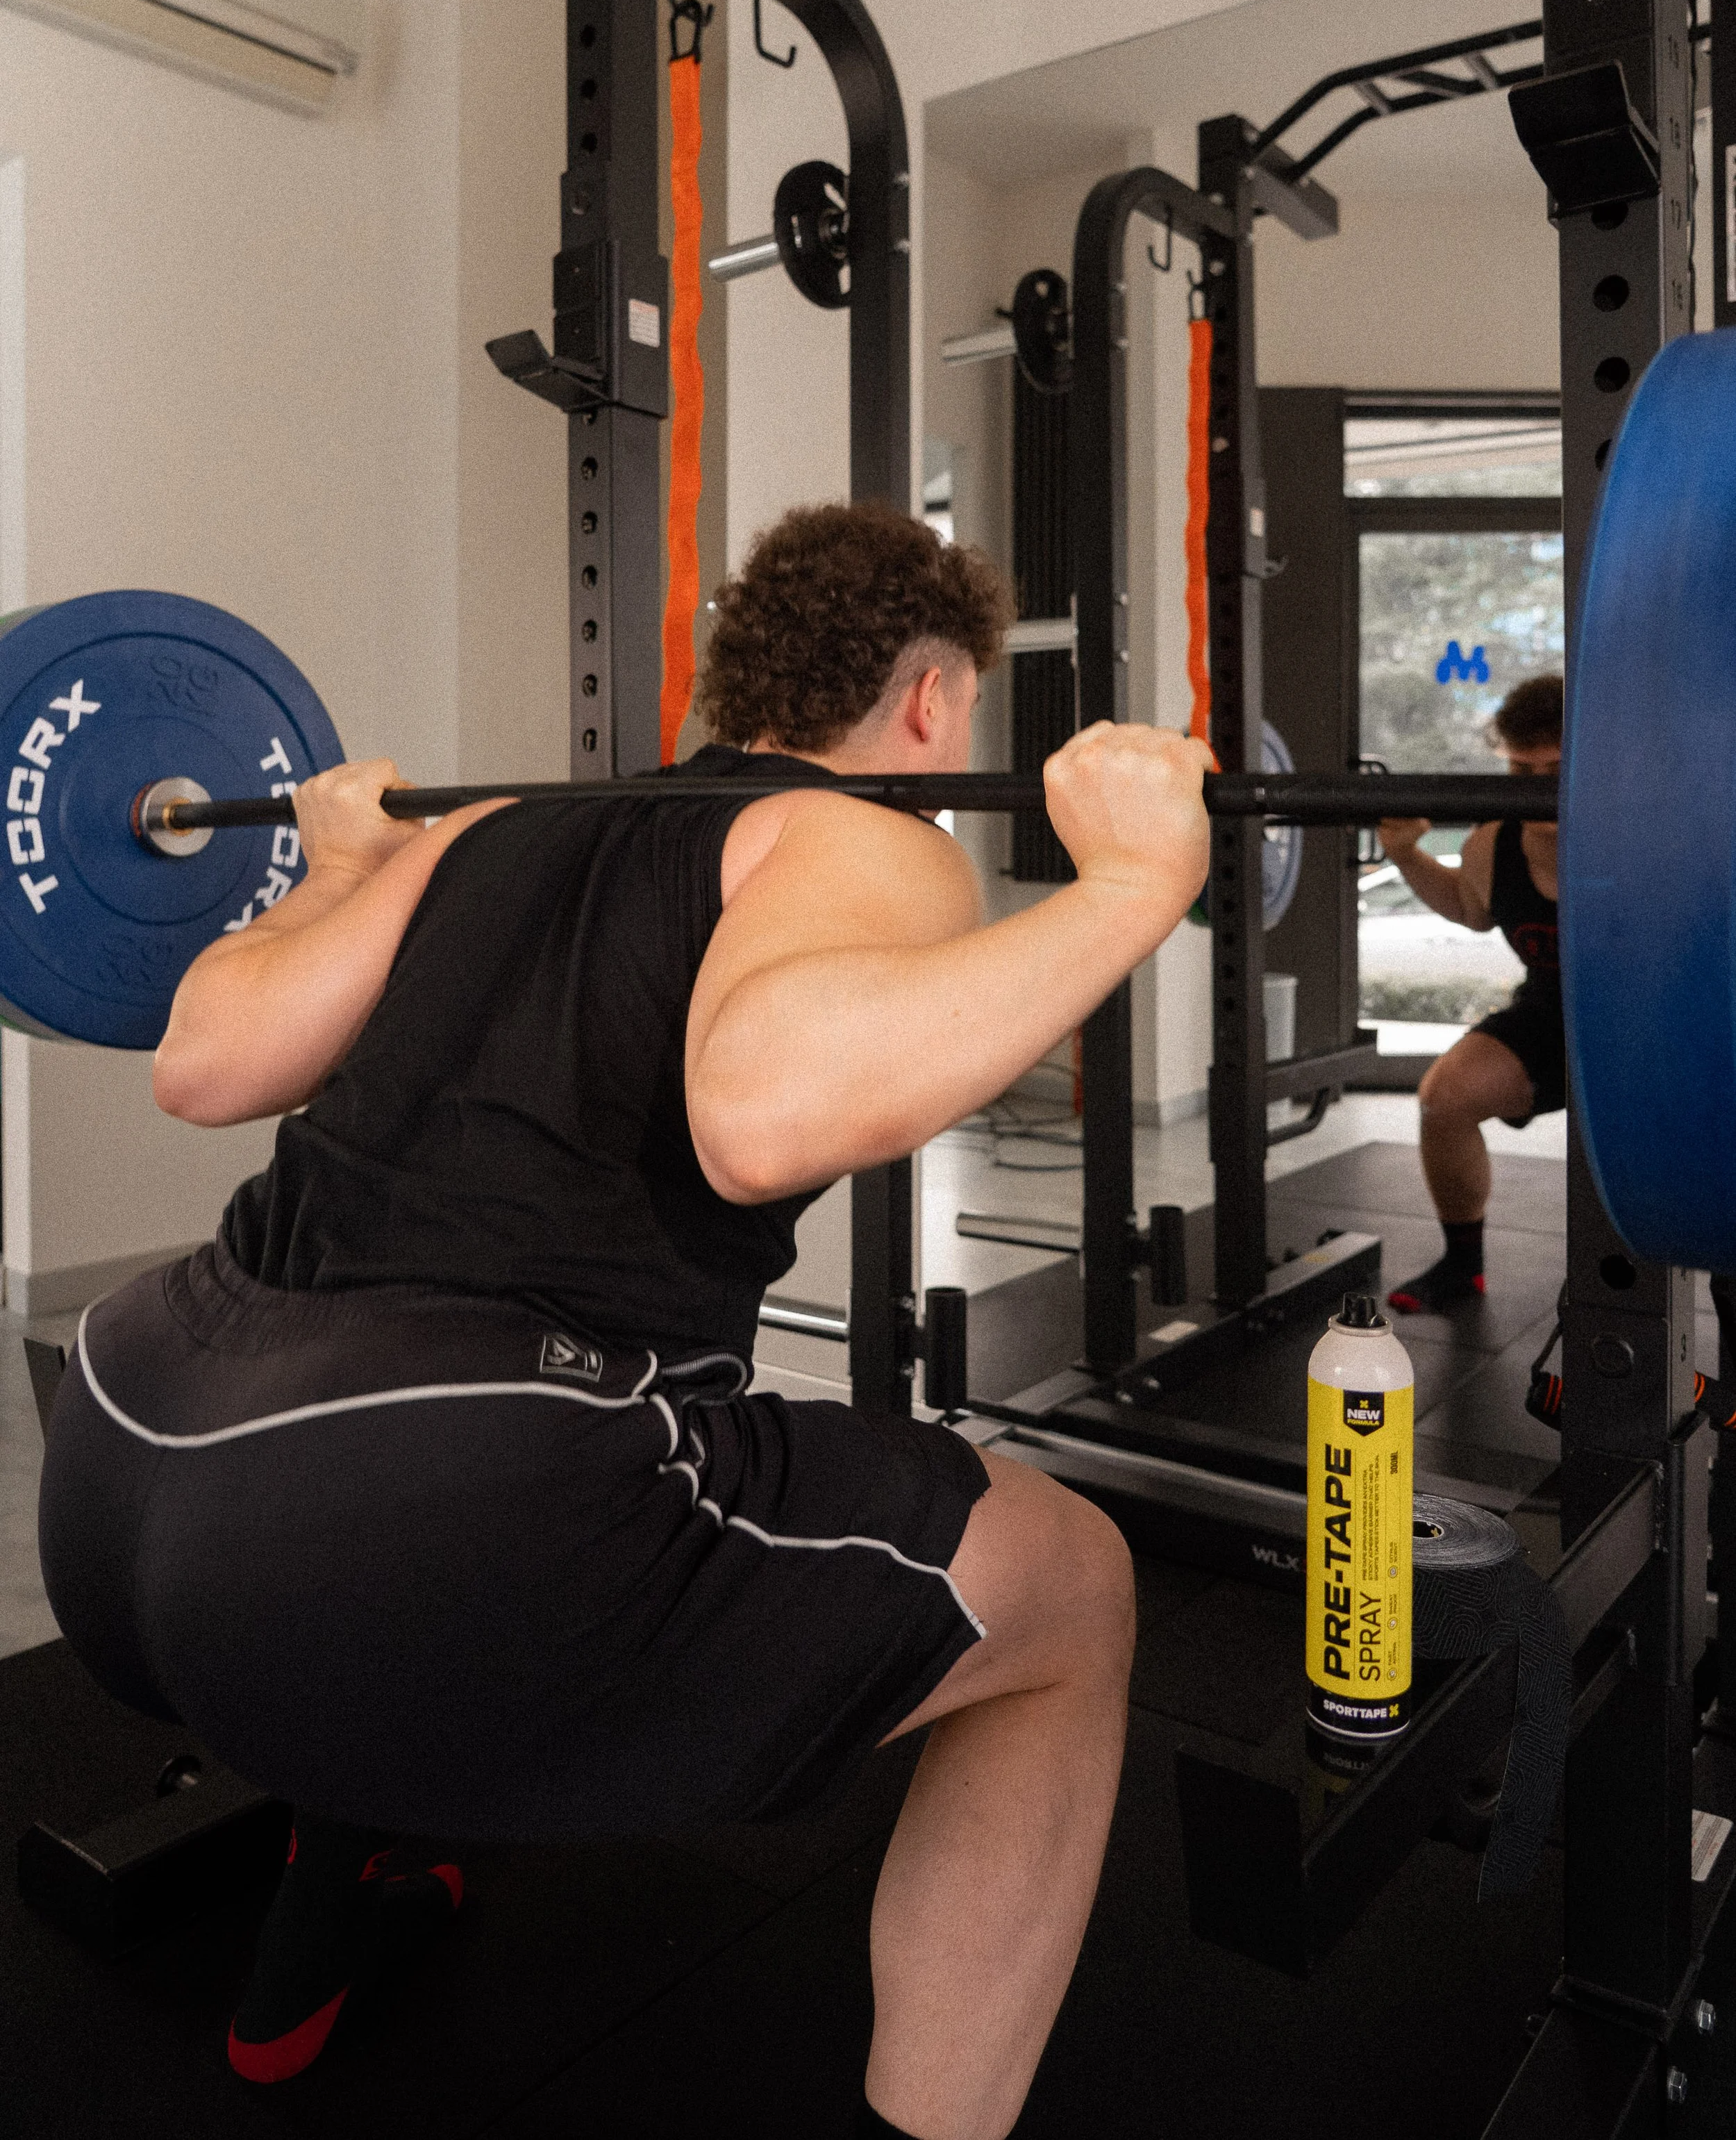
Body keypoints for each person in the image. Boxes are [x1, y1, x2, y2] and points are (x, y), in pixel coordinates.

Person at [36, 501, 1212, 2140]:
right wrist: (1137, 882)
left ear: (730, 681)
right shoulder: (860, 835)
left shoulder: (485, 826)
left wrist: (334, 875)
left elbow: (205, 1064)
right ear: (934, 698)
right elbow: (762, 1113)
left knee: (404, 1527)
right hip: (412, 1519)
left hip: (123, 1444)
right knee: (1071, 1581)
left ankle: (302, 1959)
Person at [1374, 673, 1560, 1316]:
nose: (1536, 787)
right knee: (1445, 1098)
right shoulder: (1494, 840)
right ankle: (1463, 1266)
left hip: (1655, 1023)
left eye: (1556, 769)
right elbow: (1468, 906)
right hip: (1552, 1016)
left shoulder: (1645, 835)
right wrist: (1405, 855)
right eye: (1521, 768)